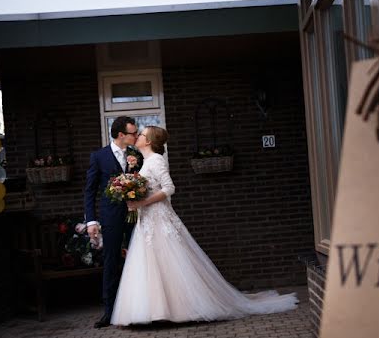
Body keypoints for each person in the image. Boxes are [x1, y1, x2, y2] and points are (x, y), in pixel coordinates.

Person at [111, 126, 297, 325]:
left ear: (148, 141)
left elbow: (169, 188)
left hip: (159, 218)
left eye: (141, 134)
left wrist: (142, 203)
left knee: (169, 260)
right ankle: (156, 310)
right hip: (147, 219)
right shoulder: (146, 161)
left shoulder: (155, 160)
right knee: (151, 263)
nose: (137, 136)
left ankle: (176, 309)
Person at [84, 116, 141, 329]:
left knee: (138, 259)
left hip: (136, 215)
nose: (136, 136)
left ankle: (137, 307)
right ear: (120, 135)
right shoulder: (99, 157)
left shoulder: (137, 155)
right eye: (133, 133)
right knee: (111, 261)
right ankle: (109, 311)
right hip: (111, 217)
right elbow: (89, 191)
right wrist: (91, 220)